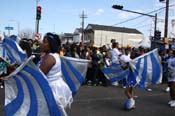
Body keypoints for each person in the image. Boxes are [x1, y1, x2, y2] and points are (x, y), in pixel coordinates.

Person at [37, 32, 73, 113]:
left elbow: (38, 76)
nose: (42, 44)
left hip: (52, 90)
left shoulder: (50, 58)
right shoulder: (51, 55)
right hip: (54, 86)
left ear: (51, 45)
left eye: (45, 42)